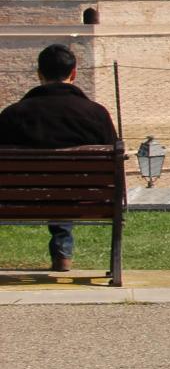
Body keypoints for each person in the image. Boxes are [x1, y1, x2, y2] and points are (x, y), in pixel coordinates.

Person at [0, 44, 120, 272]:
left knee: (52, 187)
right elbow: (115, 154)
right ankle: (63, 253)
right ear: (74, 73)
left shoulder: (13, 114)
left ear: (39, 74)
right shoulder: (95, 114)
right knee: (66, 189)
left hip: (18, 201)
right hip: (86, 200)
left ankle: (62, 250)